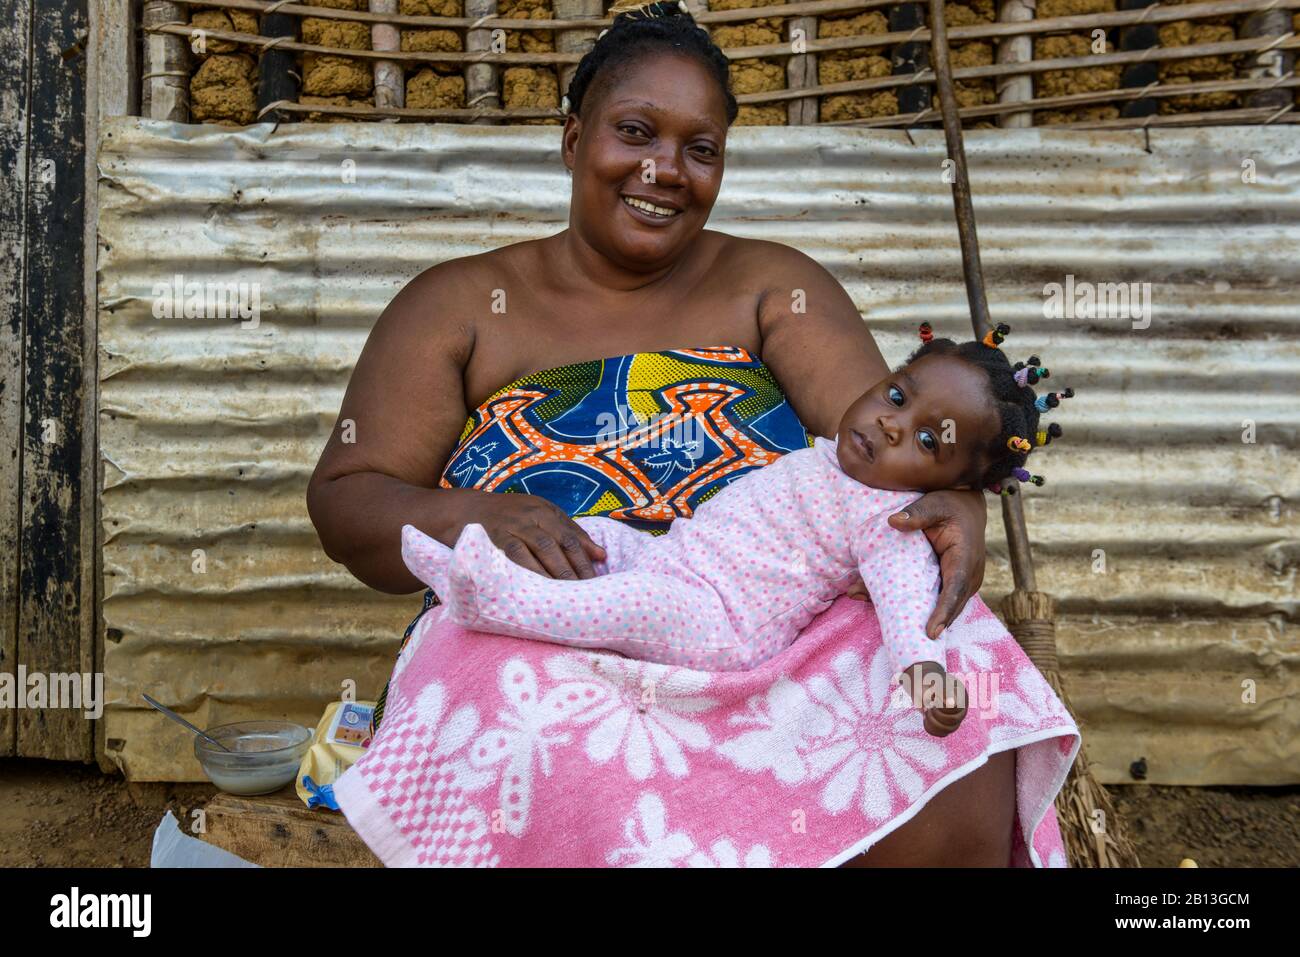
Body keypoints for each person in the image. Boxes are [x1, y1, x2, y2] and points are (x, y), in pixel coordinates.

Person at [309, 1, 1064, 866]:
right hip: (555, 634)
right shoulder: (457, 305)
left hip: (767, 636)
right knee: (515, 703)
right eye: (634, 132)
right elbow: (345, 502)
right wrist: (475, 515)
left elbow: (892, 443)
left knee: (948, 676)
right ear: (571, 139)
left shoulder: (773, 287)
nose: (664, 169)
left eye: (699, 150)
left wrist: (957, 497)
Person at [400, 333, 1071, 740]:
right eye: (898, 396)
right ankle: (467, 561)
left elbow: (906, 614)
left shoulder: (890, 524)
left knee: (633, 603)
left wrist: (927, 681)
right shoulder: (832, 451)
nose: (895, 424)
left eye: (929, 440)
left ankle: (495, 602)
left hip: (720, 622)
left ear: (950, 485)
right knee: (597, 536)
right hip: (677, 558)